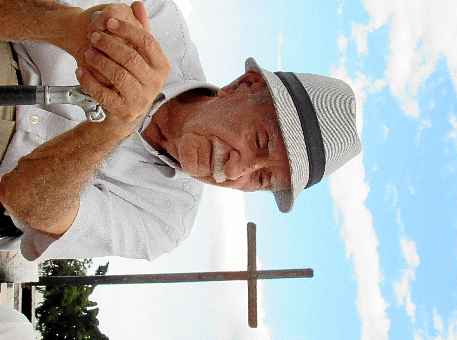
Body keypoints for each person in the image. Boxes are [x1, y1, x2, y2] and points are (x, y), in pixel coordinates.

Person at [0, 0, 361, 261]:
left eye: (262, 178)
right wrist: (68, 27)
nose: (234, 172)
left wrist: (115, 126)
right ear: (245, 85)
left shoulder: (165, 221)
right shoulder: (156, 18)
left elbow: (23, 201)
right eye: (260, 141)